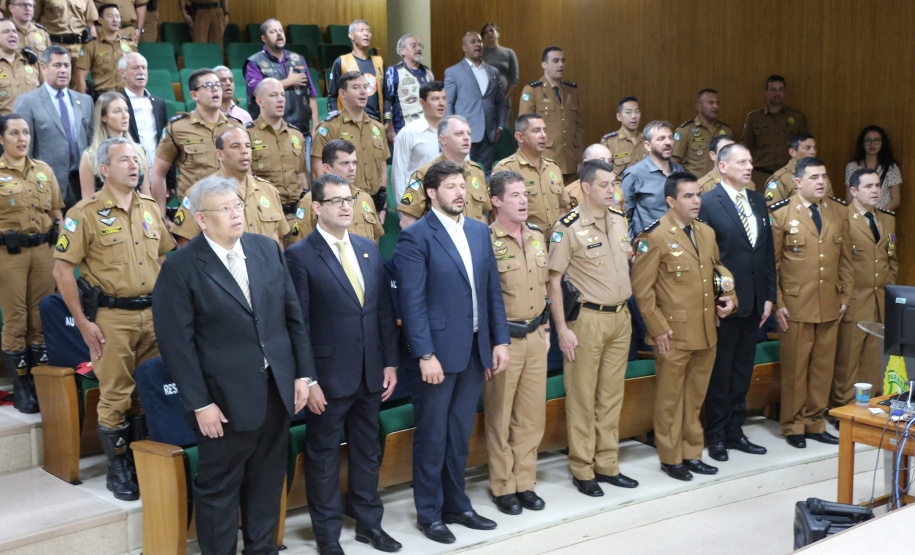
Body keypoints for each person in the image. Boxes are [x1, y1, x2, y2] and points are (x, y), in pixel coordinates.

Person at [152, 175, 314, 555]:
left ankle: (262, 550)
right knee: (219, 491)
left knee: (267, 482)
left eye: (237, 205)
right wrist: (200, 403)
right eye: (224, 209)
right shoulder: (181, 268)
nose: (236, 213)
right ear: (201, 220)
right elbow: (177, 346)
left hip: (275, 391)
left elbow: (292, 319)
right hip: (221, 403)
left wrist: (303, 374)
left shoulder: (265, 250)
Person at [393, 160, 510, 544]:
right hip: (437, 356)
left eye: (463, 185)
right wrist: (425, 355)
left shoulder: (479, 231)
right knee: (432, 436)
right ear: (431, 193)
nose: (460, 192)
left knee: (459, 435)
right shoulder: (416, 237)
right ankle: (429, 512)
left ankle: (456, 504)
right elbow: (411, 304)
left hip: (474, 350)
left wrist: (500, 340)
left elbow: (492, 290)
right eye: (450, 187)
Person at [285, 173, 401, 555]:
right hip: (328, 379)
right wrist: (308, 378)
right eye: (335, 201)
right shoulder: (300, 255)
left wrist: (389, 363)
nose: (346, 206)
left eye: (349, 199)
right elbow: (297, 324)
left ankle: (370, 525)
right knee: (323, 457)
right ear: (316, 207)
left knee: (368, 451)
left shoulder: (369, 248)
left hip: (370, 372)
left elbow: (383, 312)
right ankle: (328, 535)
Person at [53, 137, 174, 500]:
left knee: (145, 391)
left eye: (136, 159)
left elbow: (166, 259)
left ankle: (139, 457)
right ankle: (118, 466)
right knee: (116, 394)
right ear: (104, 169)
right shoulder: (84, 213)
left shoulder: (151, 207)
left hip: (152, 315)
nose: (134, 165)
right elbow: (62, 272)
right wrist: (84, 323)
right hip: (111, 318)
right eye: (124, 160)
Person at [632, 171, 736, 481]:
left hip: (705, 329)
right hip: (673, 334)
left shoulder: (705, 232)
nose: (696, 201)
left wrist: (730, 294)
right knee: (670, 400)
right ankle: (670, 458)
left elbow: (719, 269)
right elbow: (642, 289)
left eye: (697, 195)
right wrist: (658, 328)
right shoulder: (654, 236)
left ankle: (692, 453)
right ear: (670, 201)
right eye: (688, 196)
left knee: (694, 400)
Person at [546, 159, 638, 496]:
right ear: (585, 188)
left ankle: (608, 464)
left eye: (614, 184)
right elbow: (553, 282)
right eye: (604, 185)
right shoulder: (567, 227)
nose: (612, 190)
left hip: (620, 317)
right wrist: (561, 329)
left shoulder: (618, 220)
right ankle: (583, 469)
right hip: (586, 320)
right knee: (583, 397)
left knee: (611, 396)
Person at [696, 144, 776, 462]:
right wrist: (714, 299)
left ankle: (735, 430)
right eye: (742, 161)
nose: (749, 166)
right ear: (722, 166)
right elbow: (705, 259)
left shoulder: (757, 200)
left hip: (755, 300)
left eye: (751, 161)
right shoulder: (708, 203)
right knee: (721, 371)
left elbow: (766, 253)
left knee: (743, 370)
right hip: (725, 304)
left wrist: (769, 295)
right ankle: (715, 434)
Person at [769, 156, 852, 448]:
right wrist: (778, 302)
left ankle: (816, 421)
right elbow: (773, 266)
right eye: (814, 177)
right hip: (795, 305)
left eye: (824, 176)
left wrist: (845, 295)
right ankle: (794, 425)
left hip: (829, 303)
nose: (821, 182)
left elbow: (845, 260)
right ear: (798, 182)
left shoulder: (838, 211)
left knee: (822, 368)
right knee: (796, 369)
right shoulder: (780, 214)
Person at [485, 170, 549, 515]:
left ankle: (525, 483)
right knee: (500, 416)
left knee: (531, 417)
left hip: (537, 334)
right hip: (504, 341)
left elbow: (546, 288)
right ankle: (503, 486)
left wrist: (549, 330)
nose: (524, 201)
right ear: (496, 201)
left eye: (526, 194)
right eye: (515, 195)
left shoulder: (538, 236)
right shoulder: (485, 240)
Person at [0, 114, 63, 414]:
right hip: (8, 255)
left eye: (25, 132)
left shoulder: (44, 170)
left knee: (40, 318)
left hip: (44, 251)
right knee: (16, 319)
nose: (22, 138)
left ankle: (39, 382)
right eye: (14, 133)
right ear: (1, 139)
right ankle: (22, 387)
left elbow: (56, 212)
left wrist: (61, 246)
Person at [829, 168, 897, 409]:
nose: (875, 190)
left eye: (878, 185)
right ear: (854, 191)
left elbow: (891, 258)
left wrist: (890, 290)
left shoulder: (887, 218)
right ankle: (844, 408)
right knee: (847, 361)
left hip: (880, 300)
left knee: (872, 360)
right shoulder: (843, 218)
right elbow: (837, 263)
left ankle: (868, 407)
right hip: (855, 300)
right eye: (868, 186)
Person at [150, 67, 245, 220]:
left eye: (217, 85)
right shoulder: (177, 128)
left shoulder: (236, 128)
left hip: (232, 211)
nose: (215, 89)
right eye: (208, 86)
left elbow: (246, 172)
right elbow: (158, 173)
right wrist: (160, 218)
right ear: (194, 95)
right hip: (194, 213)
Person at [170, 127, 287, 247]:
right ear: (220, 154)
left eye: (247, 146)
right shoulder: (201, 193)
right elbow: (185, 244)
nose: (244, 151)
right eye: (235, 146)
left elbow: (279, 239)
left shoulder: (268, 190)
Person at [14, 45, 92, 209]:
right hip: (45, 185)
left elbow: (92, 143)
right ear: (44, 68)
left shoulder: (85, 101)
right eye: (57, 65)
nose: (63, 70)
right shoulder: (28, 102)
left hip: (83, 184)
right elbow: (23, 150)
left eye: (67, 65)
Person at [312, 71, 388, 210]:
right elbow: (318, 172)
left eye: (365, 87)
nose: (363, 92)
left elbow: (382, 169)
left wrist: (382, 204)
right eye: (356, 87)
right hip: (342, 204)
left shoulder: (378, 127)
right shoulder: (330, 127)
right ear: (342, 93)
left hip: (373, 205)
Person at [397, 115, 490, 229]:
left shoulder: (476, 172)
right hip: (440, 244)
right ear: (443, 140)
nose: (467, 138)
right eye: (459, 134)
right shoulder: (424, 174)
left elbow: (482, 216)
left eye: (468, 134)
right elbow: (407, 222)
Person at [247, 77, 308, 240]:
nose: (280, 99)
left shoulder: (296, 135)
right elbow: (247, 180)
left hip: (296, 216)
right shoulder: (247, 135)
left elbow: (302, 176)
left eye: (282, 94)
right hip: (267, 217)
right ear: (260, 101)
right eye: (273, 95)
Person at [291, 139, 382, 244]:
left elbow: (374, 240)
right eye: (345, 163)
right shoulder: (310, 201)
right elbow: (300, 245)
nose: (352, 168)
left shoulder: (364, 198)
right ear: (327, 168)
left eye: (354, 163)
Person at [493, 113, 569, 237]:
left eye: (544, 130)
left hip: (555, 242)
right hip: (526, 243)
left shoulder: (553, 168)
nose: (543, 135)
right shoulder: (506, 168)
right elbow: (496, 214)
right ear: (520, 137)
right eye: (536, 131)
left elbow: (562, 209)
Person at [444, 31, 505, 177]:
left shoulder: (493, 72)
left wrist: (500, 126)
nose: (478, 44)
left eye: (479, 41)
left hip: (489, 133)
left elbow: (500, 102)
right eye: (473, 42)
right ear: (464, 47)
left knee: (486, 173)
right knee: (462, 172)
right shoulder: (453, 72)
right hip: (463, 133)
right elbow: (448, 103)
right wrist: (449, 130)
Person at [243, 18, 317, 138]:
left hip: (302, 131)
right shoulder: (254, 62)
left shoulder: (298, 59)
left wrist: (315, 125)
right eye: (273, 32)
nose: (279, 34)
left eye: (281, 31)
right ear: (264, 38)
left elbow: (311, 95)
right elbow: (257, 91)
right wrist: (289, 81)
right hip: (269, 132)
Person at [517, 46, 582, 180]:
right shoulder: (532, 90)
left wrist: (580, 158)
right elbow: (524, 128)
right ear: (544, 65)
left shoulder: (571, 91)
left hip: (570, 160)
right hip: (544, 159)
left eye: (563, 61)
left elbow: (579, 127)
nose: (561, 65)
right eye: (556, 61)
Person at [78, 91, 149, 199]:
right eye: (117, 111)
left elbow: (146, 194)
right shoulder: (90, 156)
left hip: (136, 212)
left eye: (126, 110)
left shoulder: (139, 151)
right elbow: (87, 201)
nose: (125, 116)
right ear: (103, 117)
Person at [119, 51, 172, 195]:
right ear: (123, 73)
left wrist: (171, 181)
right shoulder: (117, 101)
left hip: (157, 177)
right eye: (135, 68)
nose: (141, 72)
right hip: (129, 174)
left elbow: (167, 143)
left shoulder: (158, 103)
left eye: (144, 68)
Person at [742, 75, 807, 189]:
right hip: (761, 176)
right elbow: (745, 148)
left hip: (788, 176)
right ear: (765, 92)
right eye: (773, 89)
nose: (777, 93)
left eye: (780, 89)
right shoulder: (754, 118)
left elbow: (804, 148)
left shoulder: (796, 117)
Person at [621, 120, 684, 238]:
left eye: (670, 138)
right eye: (661, 139)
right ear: (647, 145)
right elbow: (624, 216)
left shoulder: (679, 171)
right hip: (648, 245)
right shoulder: (634, 175)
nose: (668, 142)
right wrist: (631, 248)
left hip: (679, 242)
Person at [390, 80, 445, 202]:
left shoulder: (452, 131)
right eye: (435, 99)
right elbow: (398, 177)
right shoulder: (408, 133)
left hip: (448, 203)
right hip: (419, 203)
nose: (441, 103)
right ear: (422, 102)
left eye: (444, 98)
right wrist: (404, 212)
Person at [327, 19, 383, 122]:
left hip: (375, 121)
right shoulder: (341, 62)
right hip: (349, 121)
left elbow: (385, 95)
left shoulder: (378, 62)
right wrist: (335, 119)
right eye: (361, 30)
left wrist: (387, 120)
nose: (366, 33)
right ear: (351, 35)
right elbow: (332, 96)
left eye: (368, 31)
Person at [74, 3, 135, 95]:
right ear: (100, 20)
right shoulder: (91, 46)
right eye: (110, 16)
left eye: (117, 16)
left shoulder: (129, 44)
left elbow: (137, 71)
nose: (115, 20)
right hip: (104, 95)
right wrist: (85, 102)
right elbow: (80, 77)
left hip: (127, 94)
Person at [383, 33, 433, 141]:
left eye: (420, 45)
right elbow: (388, 101)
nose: (418, 48)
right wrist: (391, 130)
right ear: (402, 50)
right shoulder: (394, 72)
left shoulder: (427, 72)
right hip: (403, 128)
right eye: (413, 46)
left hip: (428, 127)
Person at [34, 0, 97, 84]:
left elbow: (90, 25)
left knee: (78, 83)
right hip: (54, 45)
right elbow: (33, 20)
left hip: (79, 47)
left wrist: (92, 48)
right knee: (55, 82)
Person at [672, 89, 732, 177]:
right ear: (699, 106)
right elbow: (674, 162)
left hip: (720, 184)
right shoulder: (685, 130)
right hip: (695, 185)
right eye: (711, 103)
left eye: (717, 103)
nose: (715, 106)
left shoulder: (726, 130)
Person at [764, 132, 834, 205]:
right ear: (792, 152)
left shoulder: (821, 176)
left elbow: (830, 205)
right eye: (807, 148)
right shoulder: (781, 179)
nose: (813, 152)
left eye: (814, 148)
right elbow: (772, 212)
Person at [844, 125, 901, 211]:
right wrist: (863, 214)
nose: (872, 144)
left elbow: (896, 200)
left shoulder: (891, 167)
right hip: (858, 216)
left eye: (876, 140)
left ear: (882, 143)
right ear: (862, 143)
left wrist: (877, 215)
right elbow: (849, 198)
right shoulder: (852, 166)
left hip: (882, 216)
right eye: (868, 140)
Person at [601, 96, 646, 188]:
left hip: (644, 191)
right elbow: (602, 173)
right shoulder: (609, 142)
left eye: (637, 111)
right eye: (628, 112)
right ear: (619, 116)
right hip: (620, 192)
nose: (634, 116)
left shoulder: (647, 140)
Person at [0, 18, 41, 116]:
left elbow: (47, 92)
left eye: (14, 31)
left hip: (34, 126)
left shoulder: (31, 61)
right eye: (6, 32)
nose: (12, 35)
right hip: (4, 127)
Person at [481, 22, 517, 123]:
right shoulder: (480, 54)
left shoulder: (509, 53)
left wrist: (505, 98)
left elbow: (514, 79)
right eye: (486, 32)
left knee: (501, 131)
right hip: (484, 100)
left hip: (503, 99)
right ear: (483, 37)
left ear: (498, 34)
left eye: (492, 30)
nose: (489, 33)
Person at [564, 143, 618, 210]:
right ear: (586, 163)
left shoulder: (617, 189)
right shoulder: (571, 193)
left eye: (609, 161)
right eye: (601, 160)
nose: (606, 164)